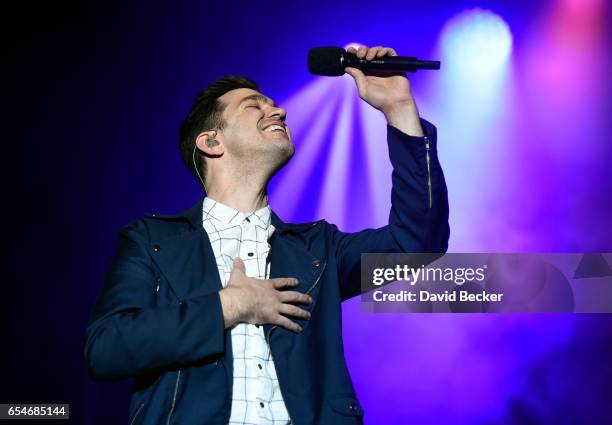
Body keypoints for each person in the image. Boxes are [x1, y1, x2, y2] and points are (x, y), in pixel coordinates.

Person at [84, 45, 449, 425]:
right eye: (253, 105)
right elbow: (106, 347)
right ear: (211, 142)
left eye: (272, 104)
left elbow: (418, 243)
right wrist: (230, 306)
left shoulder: (317, 249)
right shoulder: (152, 240)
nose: (279, 110)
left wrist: (398, 108)